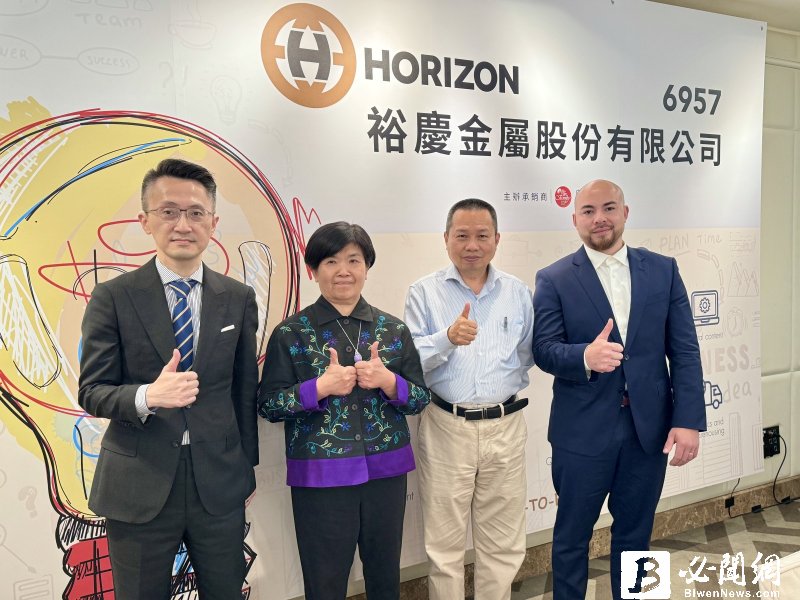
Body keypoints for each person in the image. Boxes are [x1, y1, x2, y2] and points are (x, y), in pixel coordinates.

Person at [78, 158, 259, 599]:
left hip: (218, 484)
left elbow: (243, 391)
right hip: (139, 482)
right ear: (145, 221)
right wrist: (148, 395)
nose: (183, 224)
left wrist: (243, 466)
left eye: (196, 212)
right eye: (169, 211)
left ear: (213, 222)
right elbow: (92, 391)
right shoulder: (113, 296)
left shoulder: (237, 298)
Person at [533, 179, 706, 600]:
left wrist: (687, 420)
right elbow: (544, 349)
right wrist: (584, 356)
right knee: (571, 538)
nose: (600, 219)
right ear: (575, 220)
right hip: (581, 433)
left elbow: (684, 350)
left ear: (625, 213)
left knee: (636, 534)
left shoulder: (663, 270)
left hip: (648, 430)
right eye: (588, 211)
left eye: (609, 208)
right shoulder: (554, 278)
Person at [259, 222, 431, 600]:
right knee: (324, 581)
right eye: (331, 261)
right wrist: (318, 388)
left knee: (385, 576)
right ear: (313, 270)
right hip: (320, 476)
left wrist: (390, 382)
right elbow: (268, 404)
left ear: (367, 267)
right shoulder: (291, 333)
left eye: (354, 260)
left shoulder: (393, 330)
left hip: (386, 473)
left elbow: (420, 398)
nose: (343, 271)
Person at [403, 199, 534, 600]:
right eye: (462, 235)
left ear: (497, 239)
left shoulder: (518, 292)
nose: (472, 245)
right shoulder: (423, 292)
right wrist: (446, 338)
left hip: (506, 425)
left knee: (503, 542)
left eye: (481, 236)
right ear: (446, 239)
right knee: (444, 545)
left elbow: (528, 353)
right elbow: (408, 360)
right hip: (446, 425)